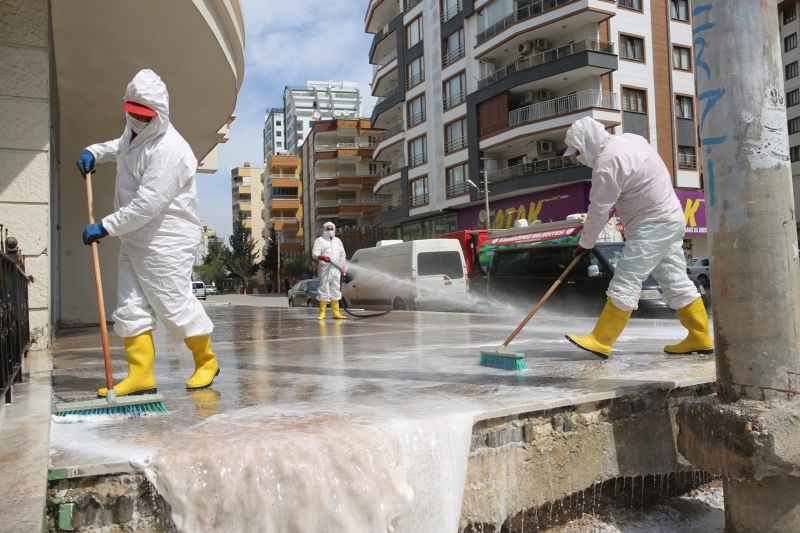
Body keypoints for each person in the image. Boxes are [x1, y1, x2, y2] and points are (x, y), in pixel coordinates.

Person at [76, 69, 220, 397]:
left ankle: (206, 360)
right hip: (134, 237)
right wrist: (95, 151)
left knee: (172, 304)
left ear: (159, 115)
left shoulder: (172, 150)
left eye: (143, 116)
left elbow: (147, 205)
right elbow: (122, 145)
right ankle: (140, 375)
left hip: (164, 238)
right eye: (132, 114)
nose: (136, 121)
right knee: (129, 306)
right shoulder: (135, 131)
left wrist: (105, 226)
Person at [562, 117, 713, 358]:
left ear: (588, 142)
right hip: (671, 218)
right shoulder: (632, 140)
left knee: (626, 279)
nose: (578, 156)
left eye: (578, 150)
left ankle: (601, 340)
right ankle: (700, 336)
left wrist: (585, 244)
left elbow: (599, 209)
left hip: (650, 223)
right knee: (675, 280)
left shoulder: (607, 161)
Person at [311, 221, 347, 320]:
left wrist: (343, 267)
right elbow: (314, 253)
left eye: (332, 229)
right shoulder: (320, 240)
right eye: (328, 229)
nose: (330, 231)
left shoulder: (338, 241)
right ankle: (322, 313)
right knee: (324, 288)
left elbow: (342, 255)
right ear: (324, 230)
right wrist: (322, 257)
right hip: (325, 268)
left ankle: (336, 313)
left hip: (336, 268)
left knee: (336, 288)